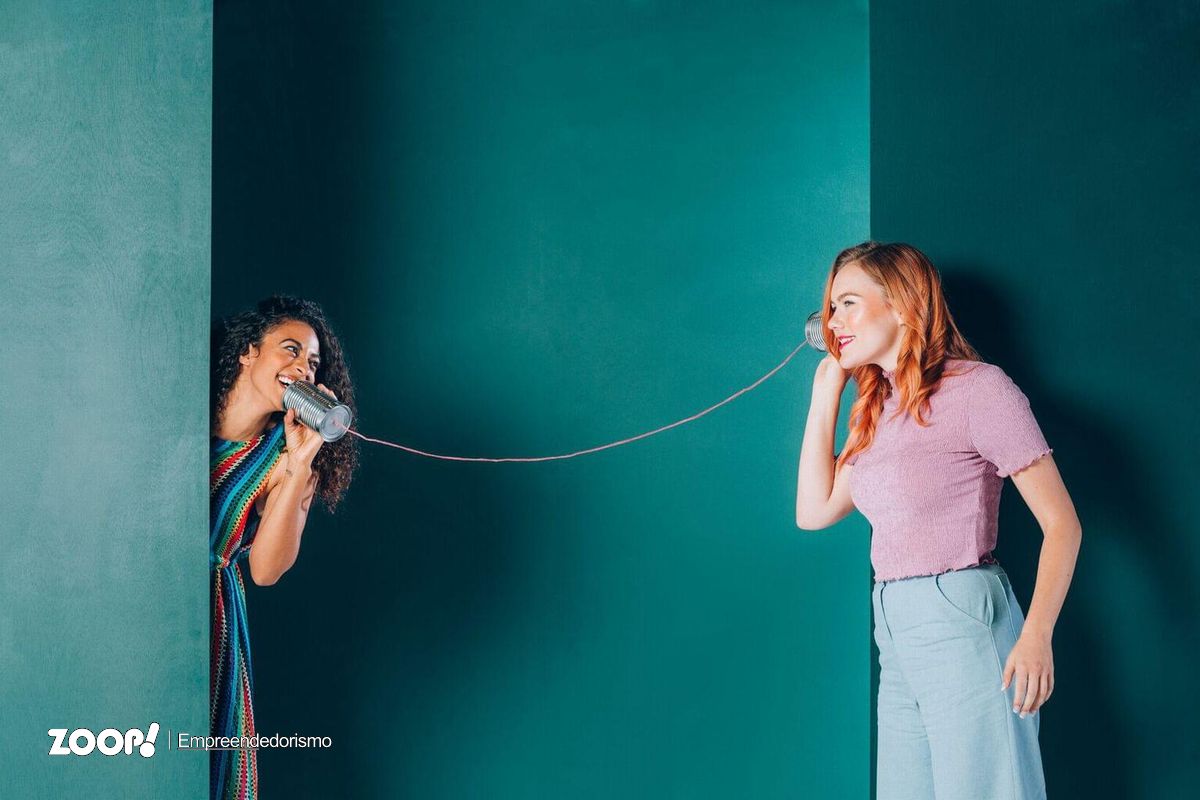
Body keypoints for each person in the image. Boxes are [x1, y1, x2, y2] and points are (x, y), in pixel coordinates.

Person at [795, 242, 1081, 799]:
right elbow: (814, 511)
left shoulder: (978, 390)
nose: (834, 322)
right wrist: (826, 391)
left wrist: (1037, 635)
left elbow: (1063, 525)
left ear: (901, 304)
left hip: (962, 618)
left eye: (848, 303)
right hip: (894, 626)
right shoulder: (879, 407)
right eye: (830, 309)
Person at [209, 295, 358, 800]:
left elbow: (267, 570)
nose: (301, 368)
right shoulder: (180, 408)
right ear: (249, 352)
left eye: (313, 363)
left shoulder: (285, 461)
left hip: (210, 619)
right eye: (290, 350)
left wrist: (299, 464)